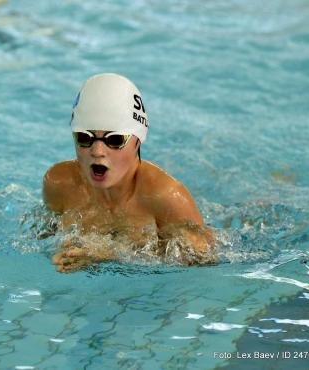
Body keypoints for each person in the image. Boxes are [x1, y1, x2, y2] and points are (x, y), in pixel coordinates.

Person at [43, 73, 215, 273]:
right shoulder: (59, 183)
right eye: (84, 137)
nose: (97, 151)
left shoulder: (166, 197)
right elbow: (43, 236)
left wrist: (111, 255)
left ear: (138, 141)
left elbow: (205, 261)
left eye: (115, 140)